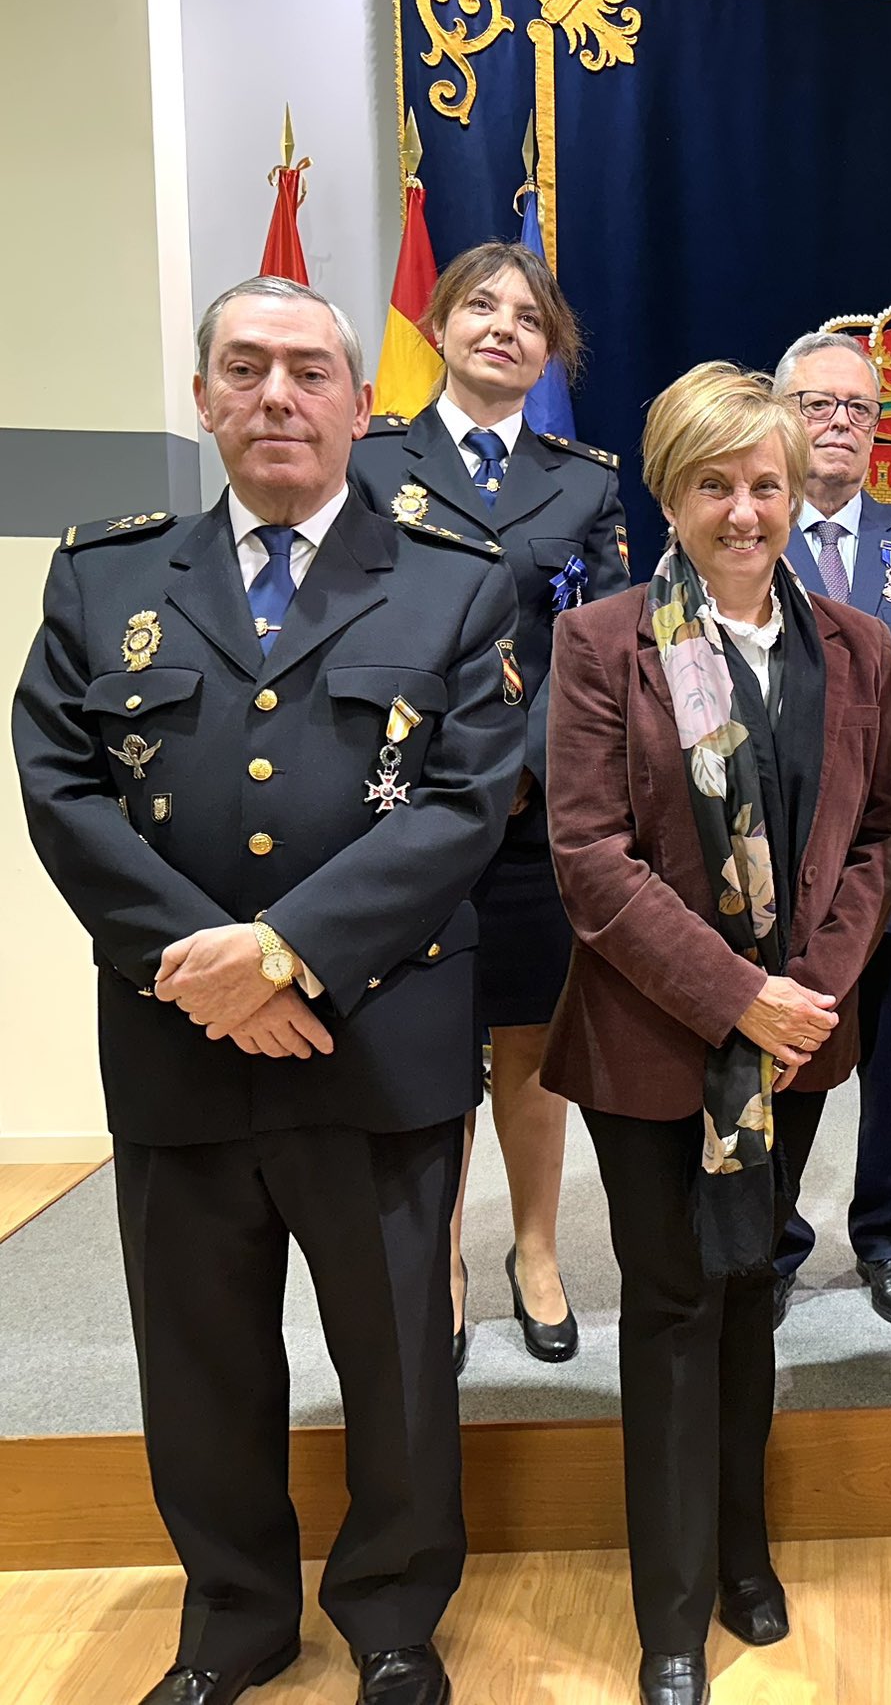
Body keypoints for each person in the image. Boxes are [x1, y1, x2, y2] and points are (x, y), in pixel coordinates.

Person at [13, 275, 523, 1705]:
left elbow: (463, 801)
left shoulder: (456, 578)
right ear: (203, 398)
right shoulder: (106, 578)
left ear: (363, 405)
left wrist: (286, 949)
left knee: (397, 1359)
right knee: (199, 1358)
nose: (279, 396)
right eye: (247, 368)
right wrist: (211, 971)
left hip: (371, 1043)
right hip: (179, 1045)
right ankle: (232, 1618)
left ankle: (394, 1618)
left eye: (311, 371)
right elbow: (60, 789)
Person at [542, 362, 891, 1705]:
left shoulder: (853, 647)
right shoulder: (610, 641)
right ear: (671, 496)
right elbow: (589, 856)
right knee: (678, 1298)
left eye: (765, 481)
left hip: (796, 1044)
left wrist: (803, 990)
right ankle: (673, 1610)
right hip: (655, 1044)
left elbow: (872, 837)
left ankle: (746, 1549)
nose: (746, 511)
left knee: (756, 1281)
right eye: (716, 485)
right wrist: (733, 994)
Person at [350, 239, 630, 1370]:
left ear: (549, 345)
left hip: (529, 806)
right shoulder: (372, 465)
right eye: (480, 306)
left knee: (528, 1036)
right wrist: (455, 767)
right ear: (441, 326)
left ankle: (532, 1250)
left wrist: (520, 758)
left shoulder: (584, 479)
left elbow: (601, 641)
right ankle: (442, 1257)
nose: (503, 327)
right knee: (427, 1039)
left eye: (527, 315)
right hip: (406, 804)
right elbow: (354, 624)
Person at [768, 329, 891, 1327]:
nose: (838, 422)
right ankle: (770, 1238)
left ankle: (886, 1235)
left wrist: (866, 773)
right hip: (772, 849)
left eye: (856, 407)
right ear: (781, 414)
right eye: (817, 403)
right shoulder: (739, 526)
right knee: (778, 1047)